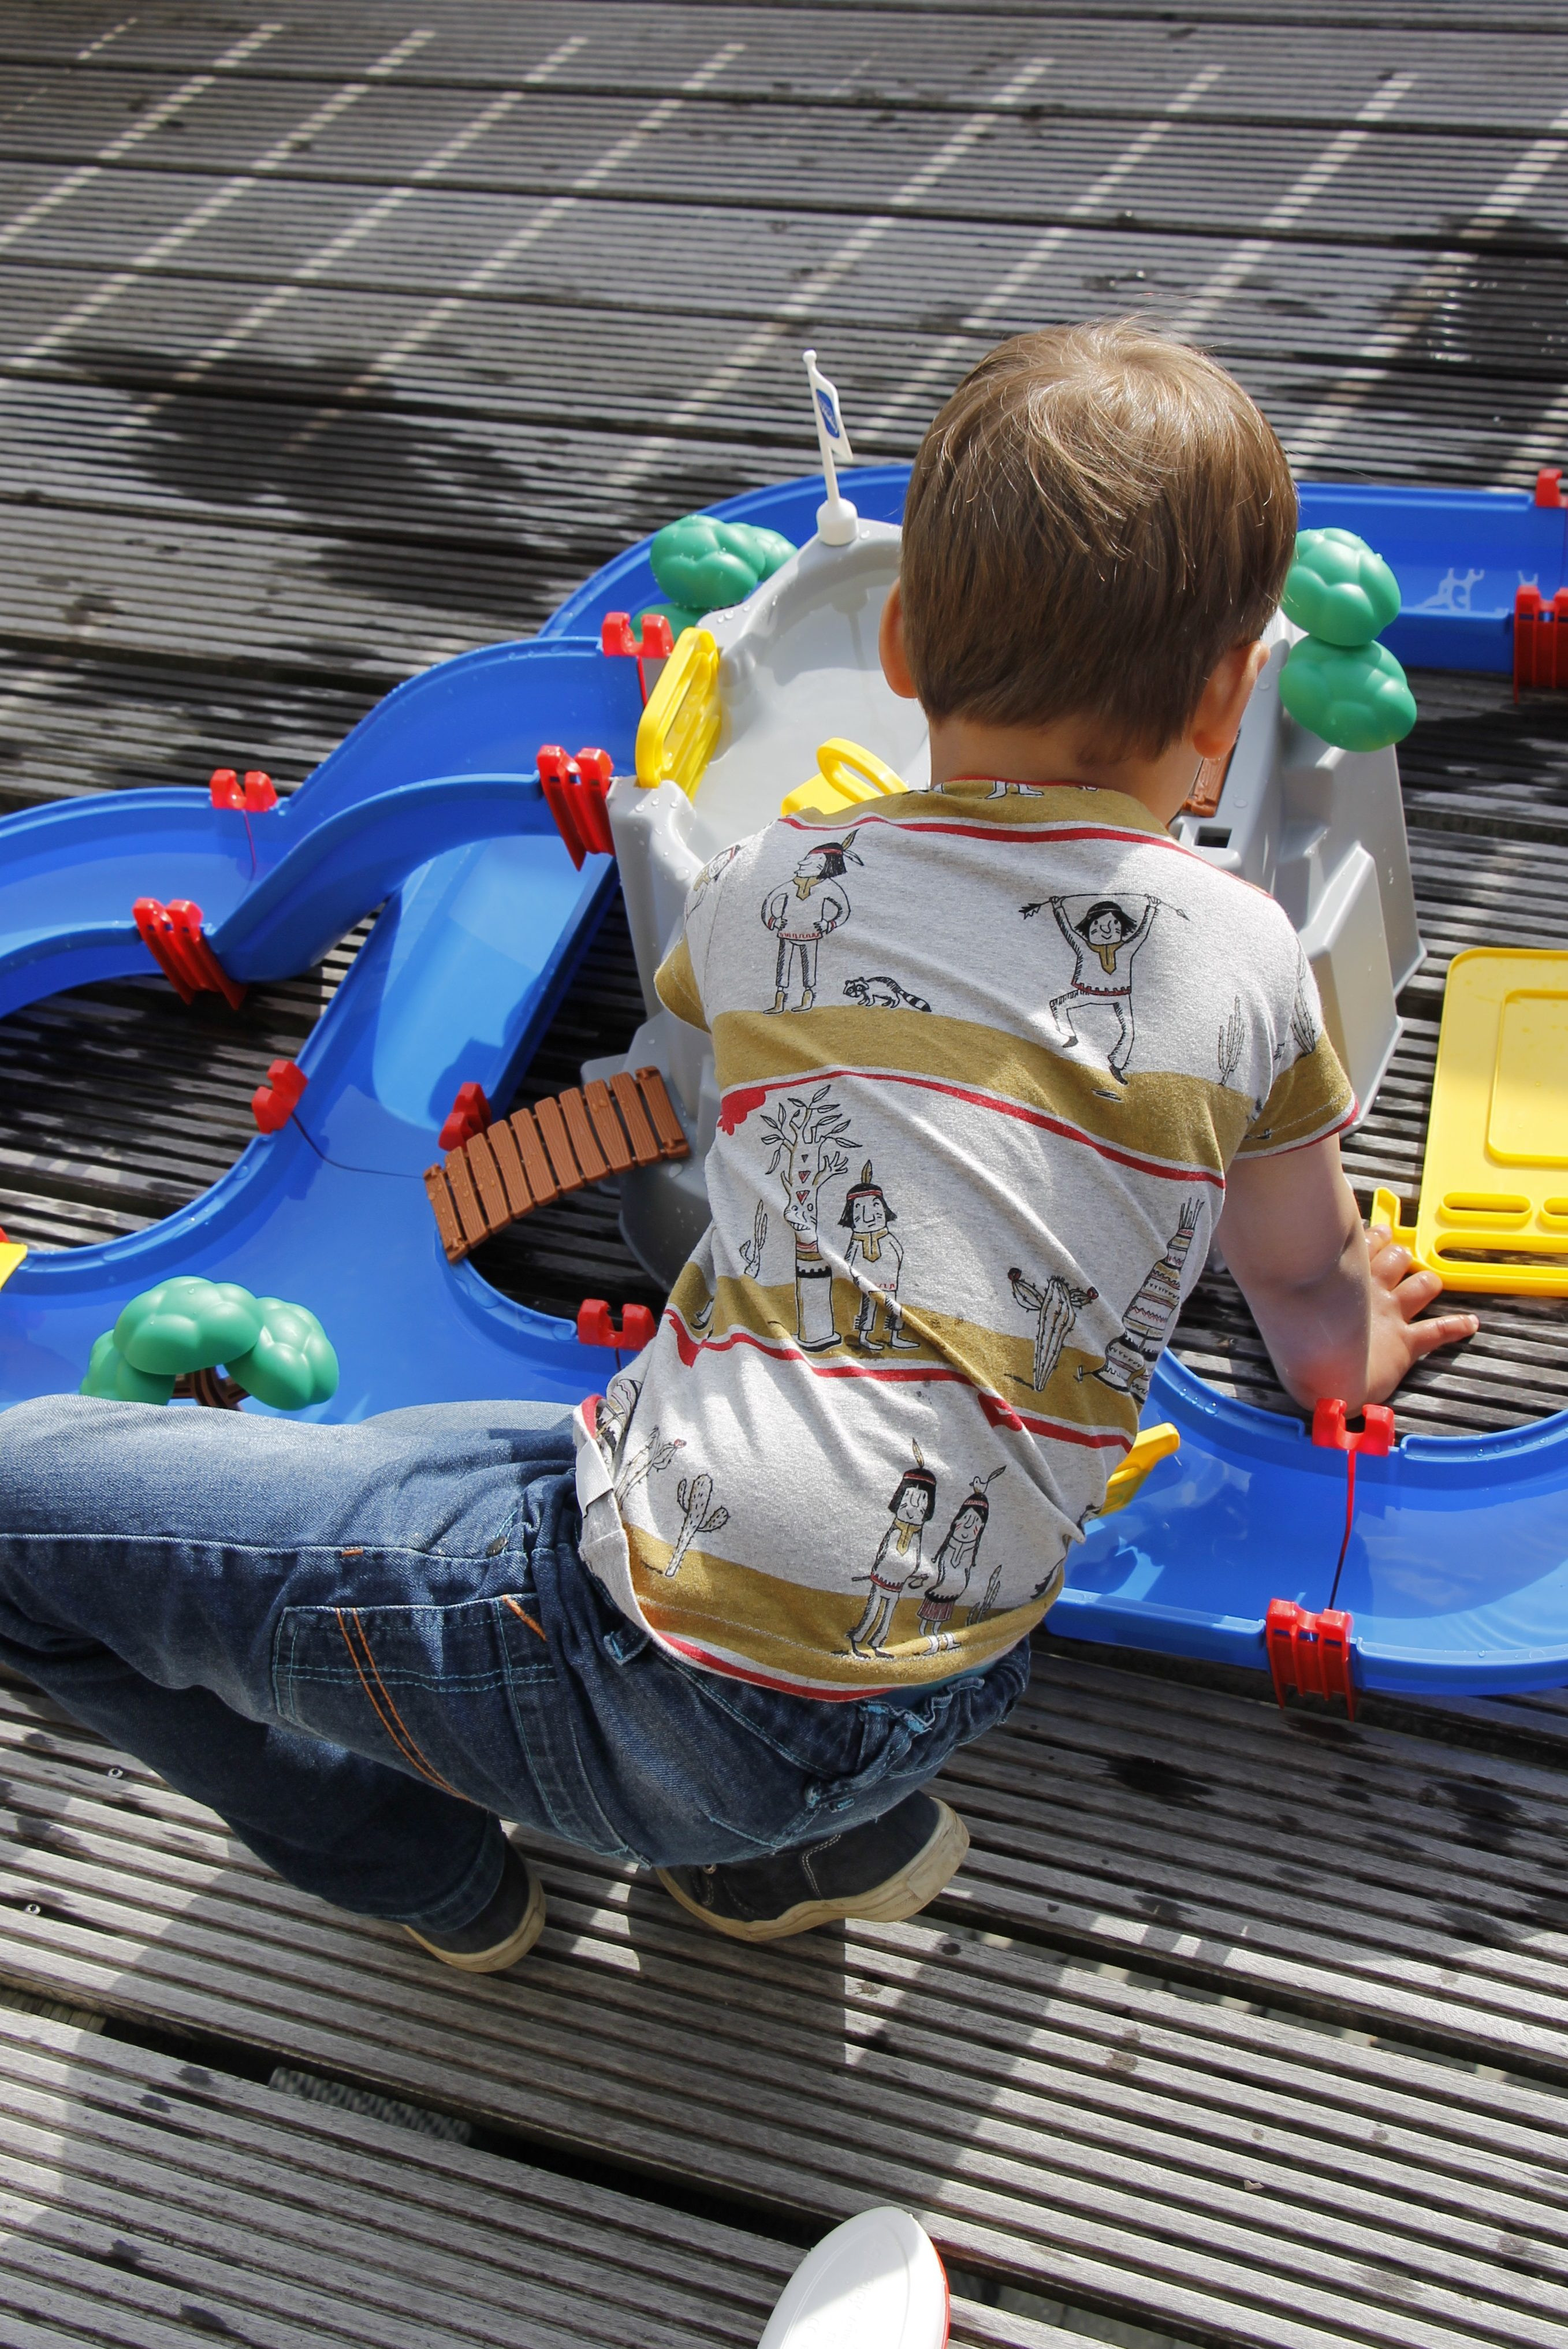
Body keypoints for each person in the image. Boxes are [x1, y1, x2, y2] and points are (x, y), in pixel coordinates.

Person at [0, 322, 1478, 1971]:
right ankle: (789, 1854)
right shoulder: (1249, 957)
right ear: (1229, 696)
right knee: (621, 1468)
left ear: (900, 647)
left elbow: (711, 1052)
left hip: (639, 1661)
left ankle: (425, 1872)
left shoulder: (773, 883)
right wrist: (1353, 1353)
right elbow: (1301, 1282)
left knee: (17, 1527)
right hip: (960, 1652)